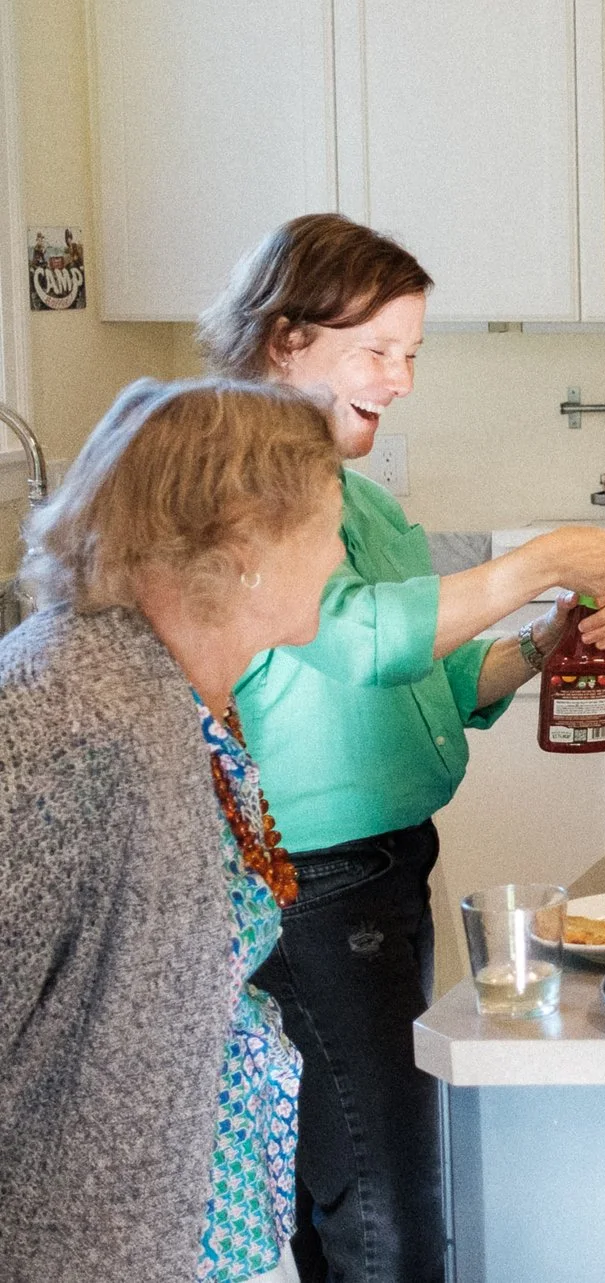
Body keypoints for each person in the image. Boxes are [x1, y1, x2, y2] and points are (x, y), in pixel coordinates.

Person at [199, 215, 605, 1283]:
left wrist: (543, 642)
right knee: (386, 1193)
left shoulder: (361, 499)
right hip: (311, 890)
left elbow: (430, 679)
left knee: (372, 1168)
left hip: (389, 871)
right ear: (283, 341)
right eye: (375, 351)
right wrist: (536, 559)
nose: (399, 380)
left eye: (411, 354)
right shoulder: (238, 491)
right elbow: (353, 636)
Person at [0, 378, 343, 1283]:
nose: (341, 550)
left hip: (206, 1214)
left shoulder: (179, 690)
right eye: (327, 523)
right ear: (244, 547)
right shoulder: (71, 716)